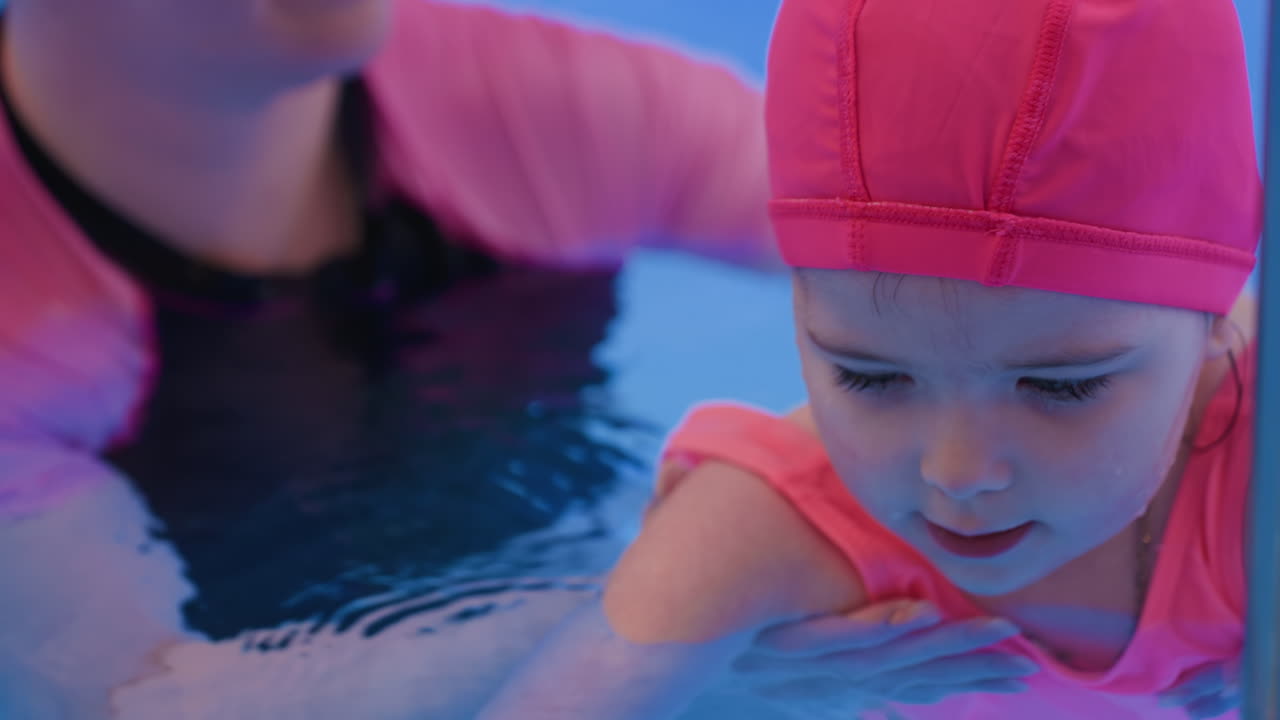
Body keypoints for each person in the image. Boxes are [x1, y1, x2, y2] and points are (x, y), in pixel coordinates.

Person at [0, 0, 798, 716]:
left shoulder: (531, 105)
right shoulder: (21, 331)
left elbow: (907, 235)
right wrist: (690, 597)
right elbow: (139, 701)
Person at [476, 0, 1261, 718]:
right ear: (800, 320)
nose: (957, 472)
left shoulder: (1256, 488)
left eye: (1061, 388)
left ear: (1216, 319)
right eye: (870, 376)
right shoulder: (775, 524)